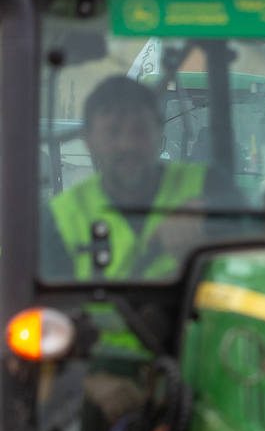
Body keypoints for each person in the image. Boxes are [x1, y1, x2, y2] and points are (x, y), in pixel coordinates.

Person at [47, 75, 238, 280]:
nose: (128, 144)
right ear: (87, 140)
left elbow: (250, 253)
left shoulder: (209, 186)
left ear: (159, 133)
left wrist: (211, 216)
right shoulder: (59, 218)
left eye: (140, 131)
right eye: (113, 132)